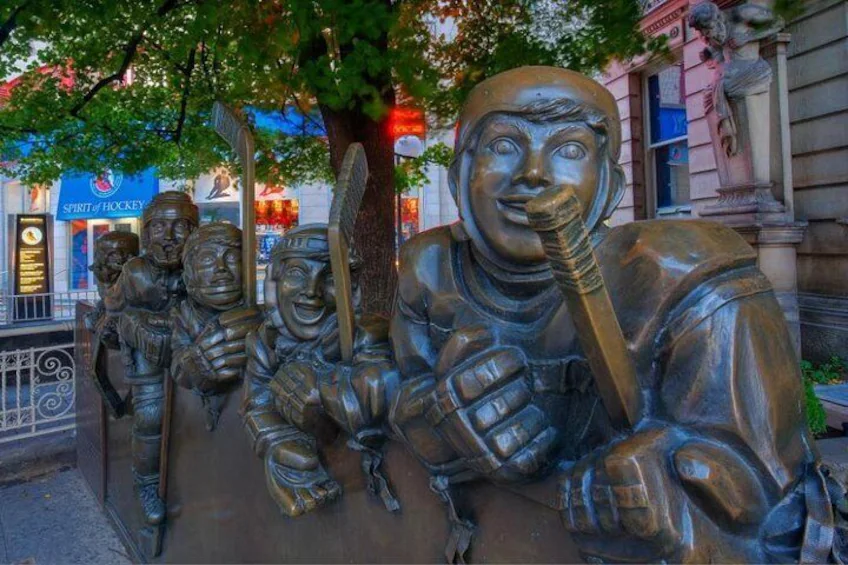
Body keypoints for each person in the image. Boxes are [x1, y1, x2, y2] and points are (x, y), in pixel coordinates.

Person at [385, 66, 835, 563]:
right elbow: (396, 392)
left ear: (609, 187)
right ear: (459, 176)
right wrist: (435, 418)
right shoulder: (430, 271)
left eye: (570, 149)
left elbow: (772, 503)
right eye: (504, 145)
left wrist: (676, 481)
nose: (533, 172)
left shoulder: (678, 279)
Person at [242, 224, 398, 517]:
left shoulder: (366, 336)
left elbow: (380, 386)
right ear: (275, 281)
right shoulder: (266, 340)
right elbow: (255, 401)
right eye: (298, 274)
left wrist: (326, 395)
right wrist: (279, 442)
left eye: (328, 277)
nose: (311, 291)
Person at [112, 191, 198, 527]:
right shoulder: (134, 270)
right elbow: (113, 307)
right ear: (147, 234)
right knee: (150, 413)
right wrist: (129, 325)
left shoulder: (201, 264)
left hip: (189, 342)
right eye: (160, 228)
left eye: (180, 226)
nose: (170, 237)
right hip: (148, 348)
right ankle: (146, 484)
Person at [170, 223, 262, 431]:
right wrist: (196, 367)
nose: (221, 268)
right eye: (208, 259)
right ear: (189, 276)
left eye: (232, 258)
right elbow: (179, 366)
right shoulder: (183, 316)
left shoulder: (265, 318)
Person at [85, 231, 140, 416]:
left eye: (125, 254)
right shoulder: (105, 279)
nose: (121, 259)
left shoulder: (138, 282)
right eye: (111, 255)